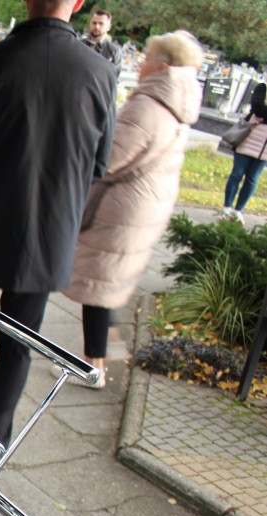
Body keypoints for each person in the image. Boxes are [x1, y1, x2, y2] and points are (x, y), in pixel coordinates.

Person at [0, 0, 117, 474]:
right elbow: (99, 162)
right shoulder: (100, 72)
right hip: (47, 228)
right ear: (78, 5)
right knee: (18, 341)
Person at [62, 31, 203, 389]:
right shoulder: (176, 103)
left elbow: (110, 158)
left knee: (98, 286)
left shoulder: (149, 105)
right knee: (108, 286)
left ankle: (94, 369)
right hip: (143, 207)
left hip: (121, 210)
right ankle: (108, 357)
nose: (140, 65)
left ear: (162, 66)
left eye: (146, 59)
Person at [221, 82, 267, 224]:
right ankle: (227, 208)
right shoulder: (262, 88)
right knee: (237, 174)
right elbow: (257, 108)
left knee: (252, 179)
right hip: (247, 140)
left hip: (264, 150)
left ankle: (238, 210)